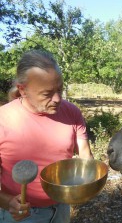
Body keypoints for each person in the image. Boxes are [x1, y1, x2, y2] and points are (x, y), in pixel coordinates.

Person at [0, 50, 94, 223]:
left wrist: (90, 181)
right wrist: (7, 202)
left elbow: (85, 156)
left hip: (61, 208)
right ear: (23, 90)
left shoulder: (72, 112)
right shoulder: (3, 120)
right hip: (21, 216)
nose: (58, 99)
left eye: (60, 89)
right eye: (47, 93)